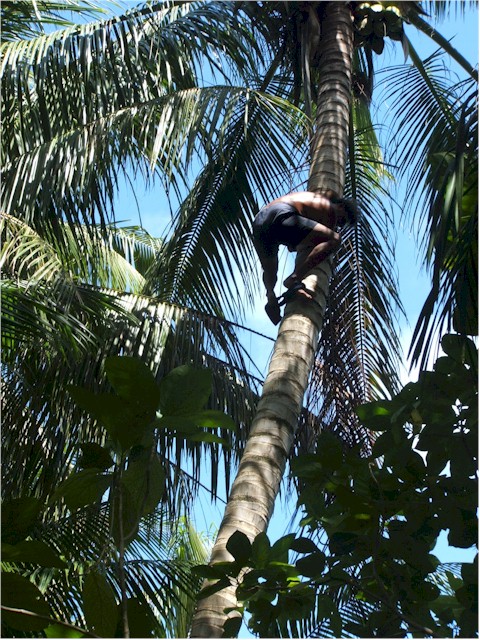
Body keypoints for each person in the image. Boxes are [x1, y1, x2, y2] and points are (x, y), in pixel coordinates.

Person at [252, 190, 359, 325]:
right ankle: (294, 279)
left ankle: (271, 297)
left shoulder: (307, 198)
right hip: (282, 215)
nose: (338, 224)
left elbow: (294, 244)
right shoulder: (329, 208)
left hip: (260, 222)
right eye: (342, 221)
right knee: (335, 239)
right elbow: (318, 239)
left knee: (270, 269)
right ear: (341, 207)